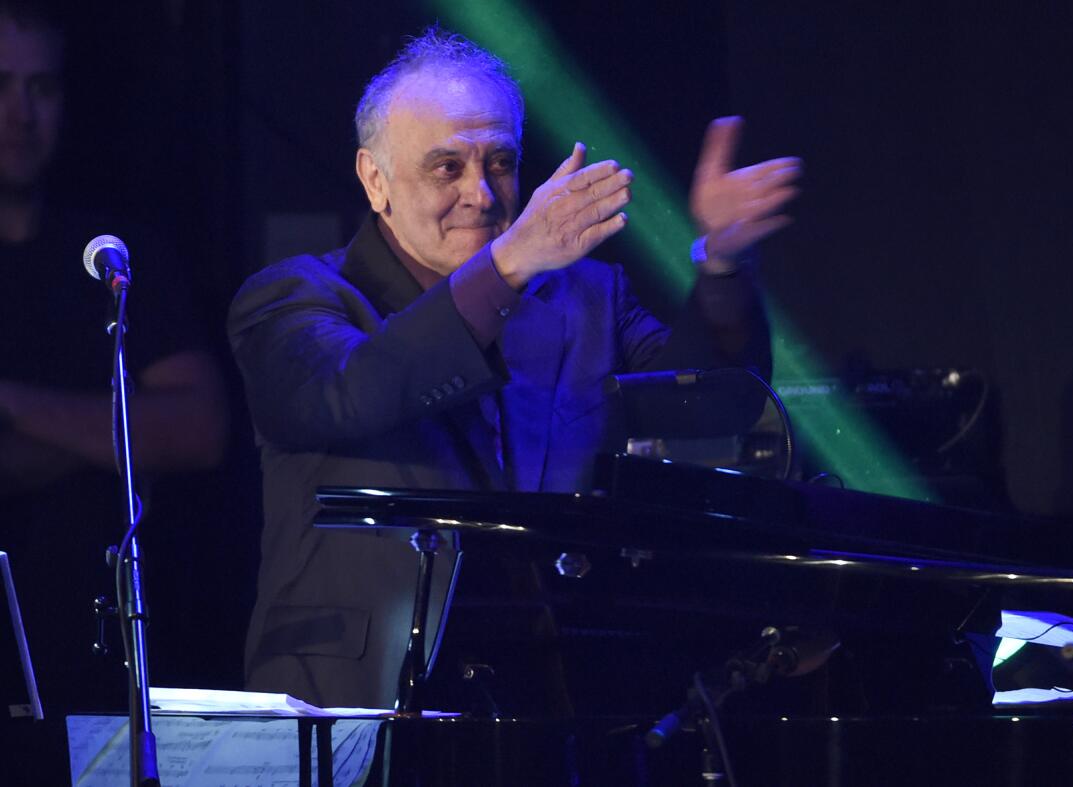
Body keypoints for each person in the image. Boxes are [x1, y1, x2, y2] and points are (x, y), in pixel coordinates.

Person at [228, 27, 801, 710]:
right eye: (447, 167)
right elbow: (346, 391)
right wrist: (506, 267)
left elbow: (710, 410)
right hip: (361, 698)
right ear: (374, 180)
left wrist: (722, 264)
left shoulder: (585, 300)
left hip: (550, 699)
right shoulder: (296, 296)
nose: (482, 192)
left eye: (500, 162)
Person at [0, 0, 229, 724]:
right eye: (1, 84)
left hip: (96, 660)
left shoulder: (113, 252)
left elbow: (197, 427)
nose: (21, 112)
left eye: (42, 87)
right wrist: (104, 435)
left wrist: (10, 403)